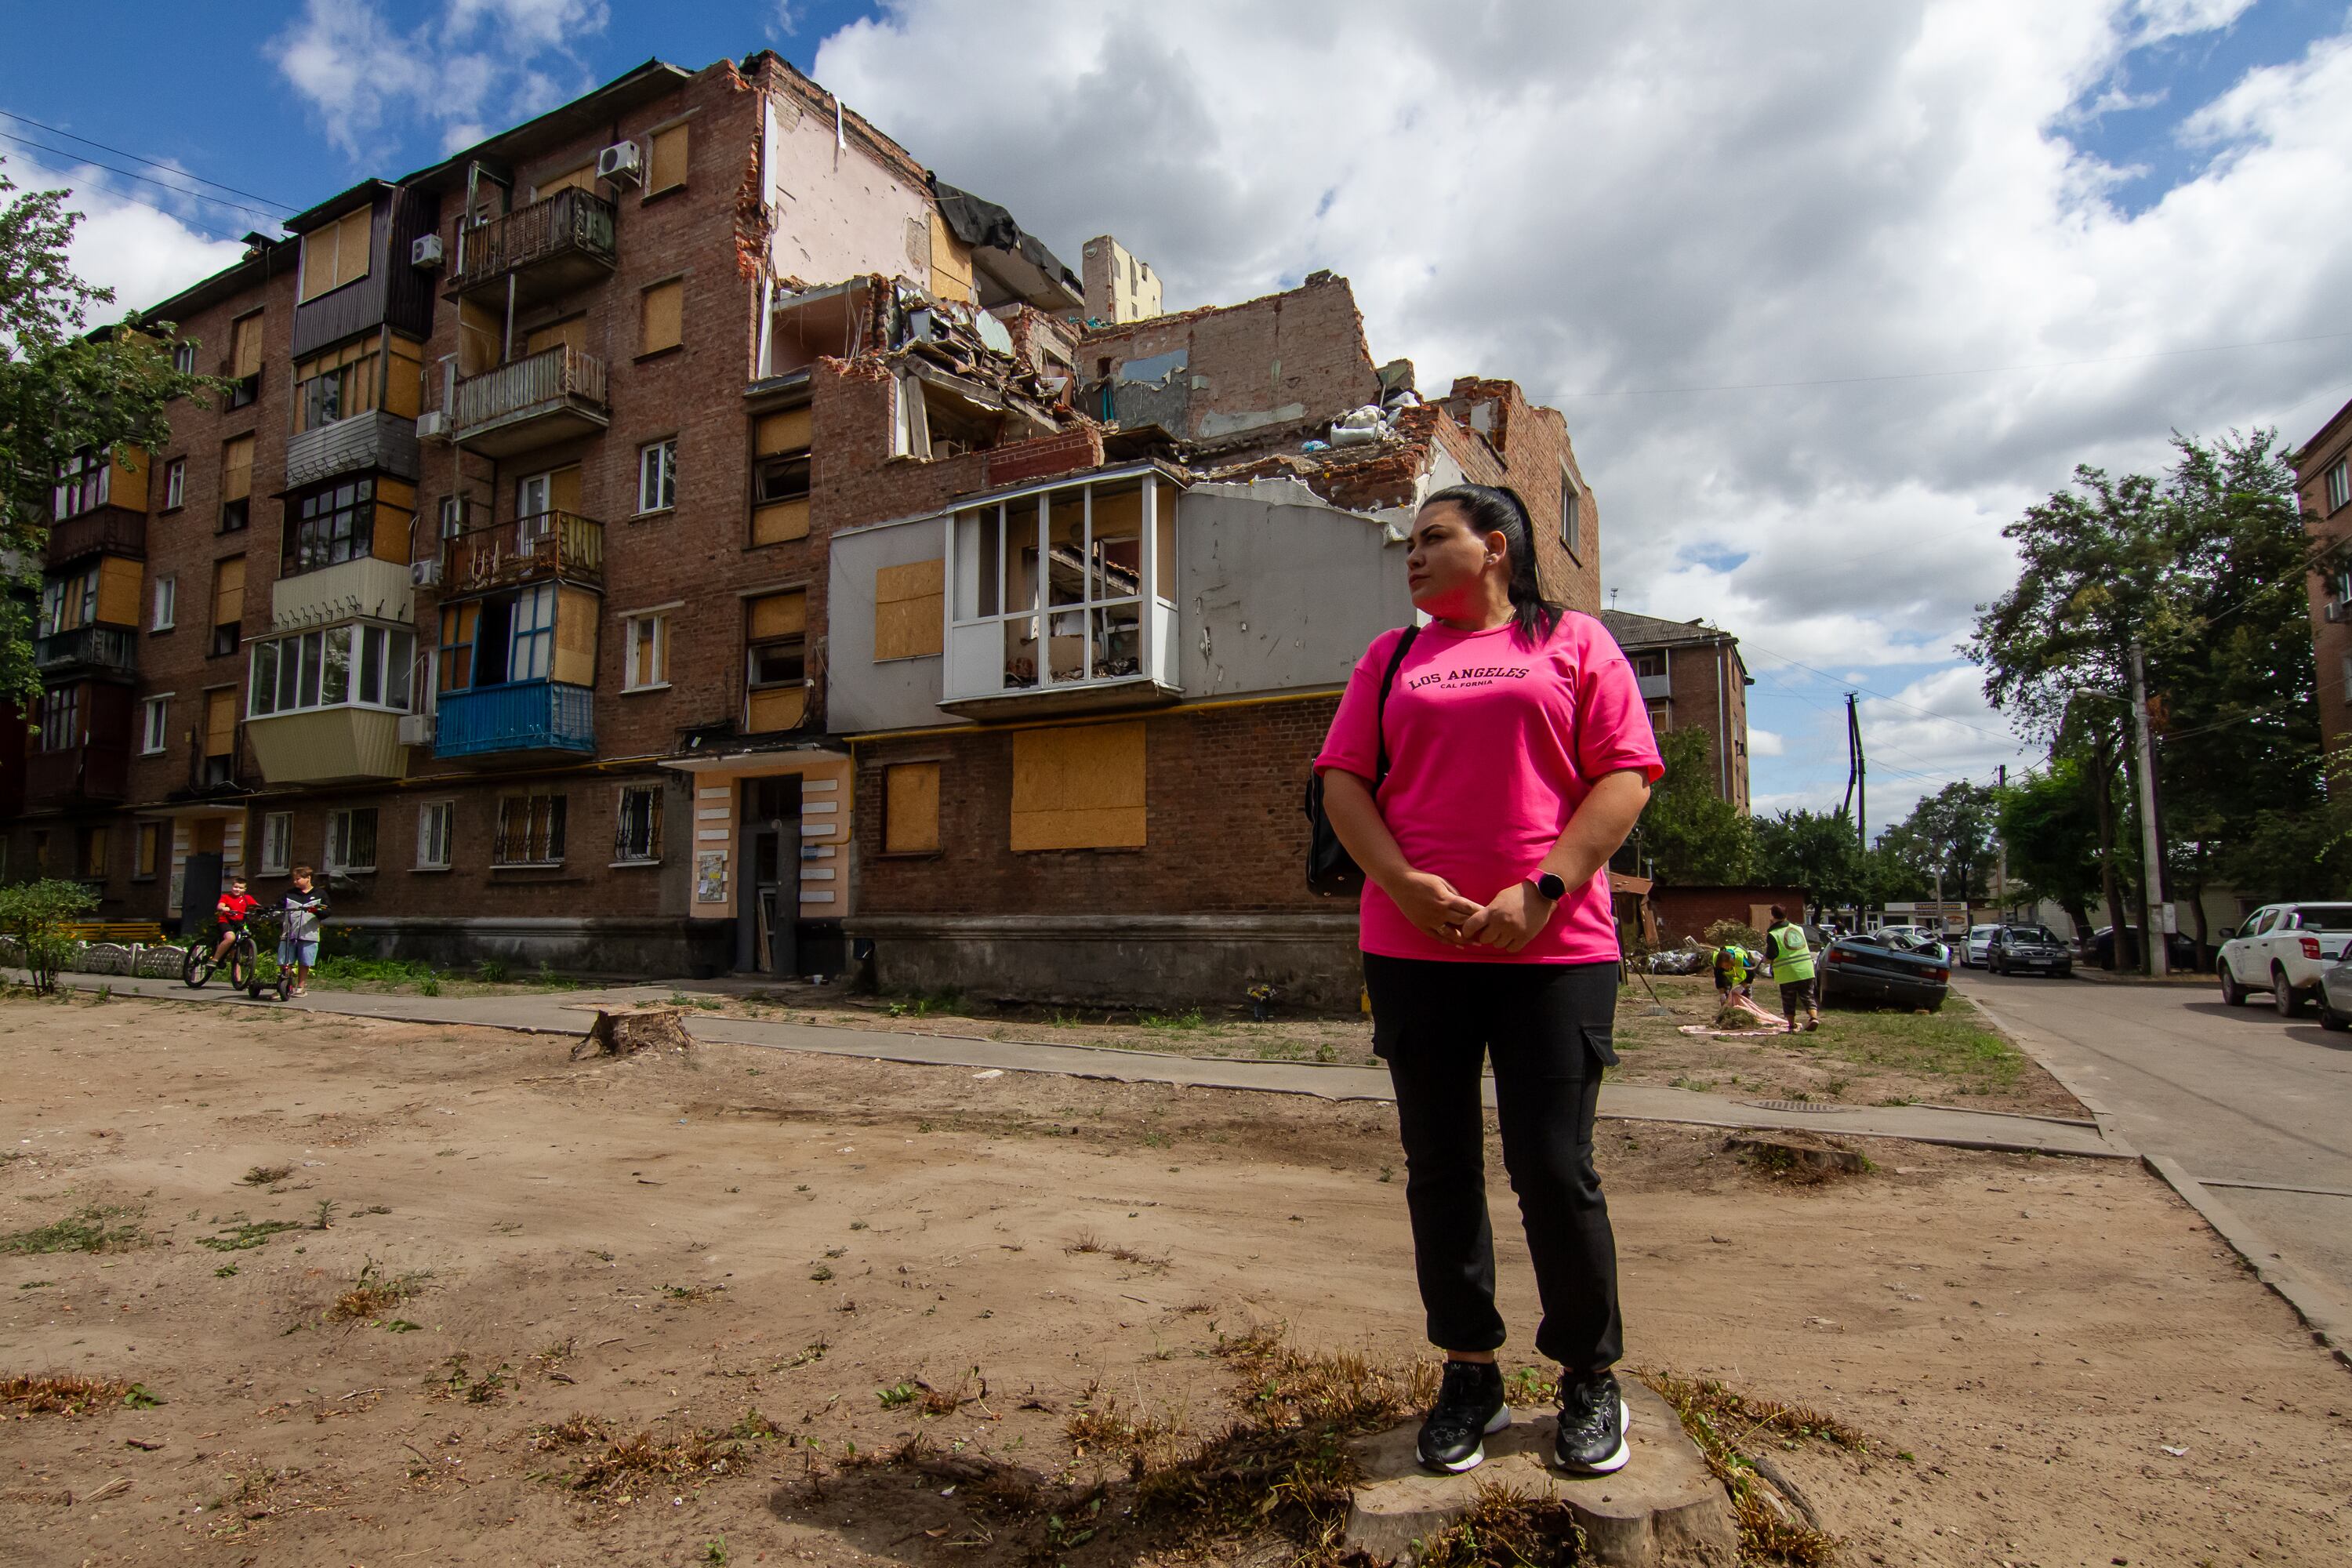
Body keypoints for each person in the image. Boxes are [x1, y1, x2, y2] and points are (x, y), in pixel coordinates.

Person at [1315, 484, 1662, 1478]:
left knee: (1556, 1167)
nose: (1411, 557)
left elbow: (1625, 774)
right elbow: (1343, 780)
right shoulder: (1389, 660)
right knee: (1441, 1167)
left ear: (1497, 548)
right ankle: (1471, 1368)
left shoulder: (1576, 643)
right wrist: (1401, 882)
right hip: (1414, 945)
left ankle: (1590, 1374)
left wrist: (1543, 888)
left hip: (1553, 946)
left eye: (1433, 538)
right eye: (1408, 544)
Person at [1763, 905, 1818, 1033]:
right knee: (1808, 995)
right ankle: (1813, 1018)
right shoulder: (1798, 928)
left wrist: (1766, 960)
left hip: (1788, 972)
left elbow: (1773, 954)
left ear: (1772, 916)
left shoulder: (1773, 934)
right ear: (1786, 915)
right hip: (1806, 968)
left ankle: (1792, 1026)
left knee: (1789, 1000)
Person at [279, 866, 328, 997]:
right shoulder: (290, 894)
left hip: (309, 934)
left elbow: (327, 912)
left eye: (298, 879)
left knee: (305, 961)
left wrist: (317, 911)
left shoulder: (319, 894)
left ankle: (301, 987)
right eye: (294, 879)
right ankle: (283, 986)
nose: (295, 882)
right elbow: (278, 907)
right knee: (285, 961)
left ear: (308, 878)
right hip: (289, 933)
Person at [211, 876, 260, 966]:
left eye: (240, 888)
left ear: (245, 889)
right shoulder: (226, 897)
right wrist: (223, 908)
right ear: (232, 887)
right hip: (226, 921)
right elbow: (220, 905)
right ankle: (215, 960)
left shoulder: (247, 898)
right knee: (230, 938)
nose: (237, 889)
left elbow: (256, 905)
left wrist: (262, 909)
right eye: (235, 887)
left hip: (239, 923)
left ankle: (238, 978)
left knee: (237, 952)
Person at [1712, 939, 1756, 1004]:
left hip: (1743, 962)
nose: (1725, 967)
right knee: (1726, 991)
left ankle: (1747, 990)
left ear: (1732, 961)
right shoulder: (1716, 961)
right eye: (1723, 966)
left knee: (1744, 991)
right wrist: (1722, 994)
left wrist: (1742, 987)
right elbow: (1718, 978)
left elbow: (1751, 973)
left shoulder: (1740, 958)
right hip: (1728, 968)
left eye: (1727, 965)